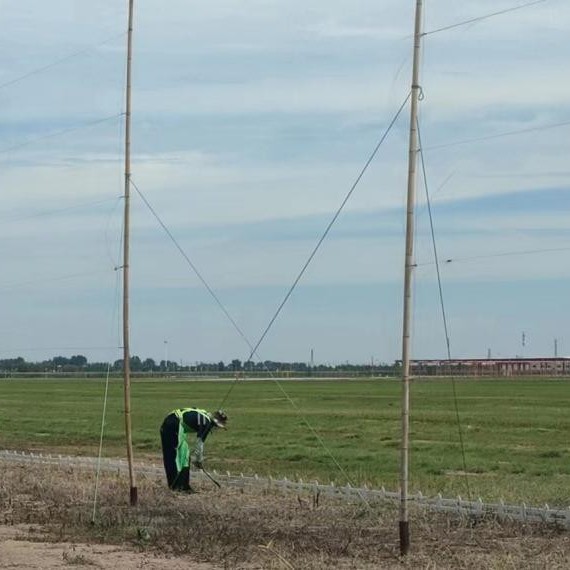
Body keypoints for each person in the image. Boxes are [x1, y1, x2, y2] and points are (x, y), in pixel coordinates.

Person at [160, 407, 227, 492]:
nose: (215, 429)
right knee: (174, 455)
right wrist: (198, 460)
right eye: (216, 427)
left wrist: (197, 459)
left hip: (175, 422)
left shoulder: (205, 415)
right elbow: (199, 444)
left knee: (185, 455)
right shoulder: (206, 423)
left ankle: (184, 486)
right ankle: (175, 487)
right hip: (172, 424)